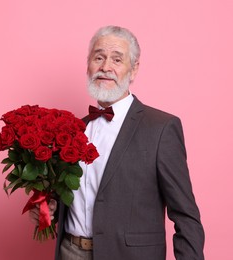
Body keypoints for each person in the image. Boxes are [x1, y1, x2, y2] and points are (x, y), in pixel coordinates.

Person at [29, 25, 205, 260]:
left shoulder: (161, 128)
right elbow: (80, 198)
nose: (105, 67)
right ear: (88, 65)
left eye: (117, 60)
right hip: (69, 252)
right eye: (98, 57)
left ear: (133, 69)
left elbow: (185, 215)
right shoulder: (71, 131)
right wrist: (49, 209)